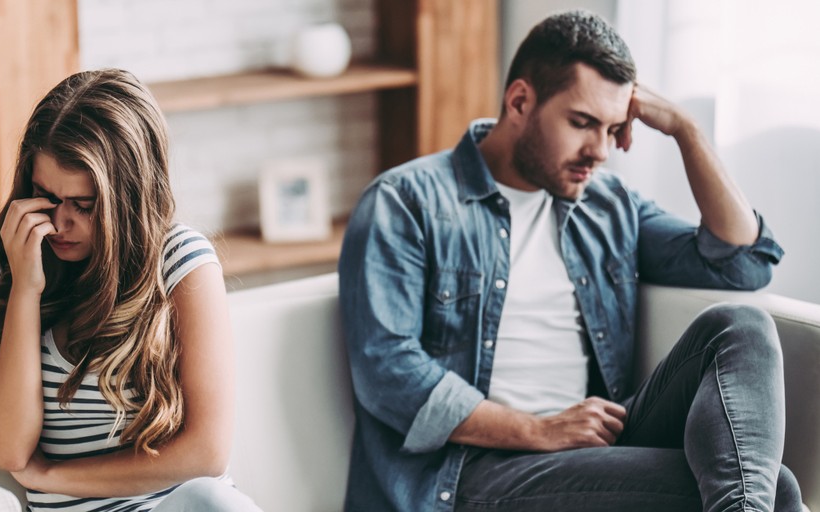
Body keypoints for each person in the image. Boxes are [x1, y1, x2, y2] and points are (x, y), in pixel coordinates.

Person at [338, 10, 802, 512]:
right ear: (519, 101)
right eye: (582, 123)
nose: (600, 150)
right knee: (772, 490)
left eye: (613, 128)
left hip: (594, 445)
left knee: (740, 327)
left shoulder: (604, 205)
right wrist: (539, 430)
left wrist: (686, 129)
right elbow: (388, 372)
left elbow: (742, 262)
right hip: (472, 470)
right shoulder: (408, 201)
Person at [0, 69, 261, 512]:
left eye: (84, 205)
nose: (60, 223)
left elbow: (207, 453)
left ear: (128, 200)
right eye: (45, 195)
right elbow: (6, 451)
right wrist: (26, 288)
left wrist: (52, 476)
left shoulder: (179, 262)